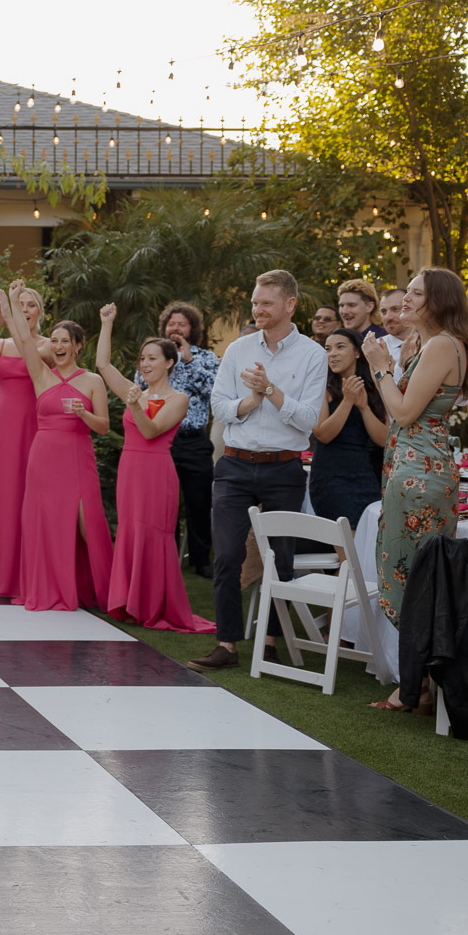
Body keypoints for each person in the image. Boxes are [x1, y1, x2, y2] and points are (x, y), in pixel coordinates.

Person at [189, 270, 328, 673]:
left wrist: (270, 390)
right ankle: (227, 644)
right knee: (227, 556)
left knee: (281, 559)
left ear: (290, 304)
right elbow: (219, 406)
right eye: (255, 302)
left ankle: (269, 642)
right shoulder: (238, 349)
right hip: (234, 464)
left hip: (284, 468)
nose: (258, 309)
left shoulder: (312, 355)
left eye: (266, 302)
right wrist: (251, 401)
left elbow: (308, 420)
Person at [361, 267, 468, 712]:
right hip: (417, 468)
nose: (405, 299)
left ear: (438, 301)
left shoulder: (443, 344)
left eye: (415, 293)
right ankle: (420, 685)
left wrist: (379, 369)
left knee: (412, 578)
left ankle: (414, 688)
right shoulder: (434, 344)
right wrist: (394, 369)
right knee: (416, 576)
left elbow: (404, 413)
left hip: (419, 476)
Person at [96, 304, 213, 633]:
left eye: (152, 358)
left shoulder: (179, 399)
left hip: (157, 473)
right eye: (142, 359)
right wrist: (107, 324)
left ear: (169, 363)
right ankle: (127, 601)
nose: (145, 364)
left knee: (152, 534)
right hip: (130, 471)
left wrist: (135, 404)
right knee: (130, 531)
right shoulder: (136, 392)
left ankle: (151, 605)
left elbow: (150, 432)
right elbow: (103, 365)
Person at [0, 281, 113, 611]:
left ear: (78, 346)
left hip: (77, 457)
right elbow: (24, 339)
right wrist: (13, 301)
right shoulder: (41, 374)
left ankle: (107, 590)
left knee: (88, 525)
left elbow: (104, 427)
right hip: (44, 458)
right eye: (55, 341)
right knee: (44, 523)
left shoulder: (92, 381)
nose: (59, 346)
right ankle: (47, 587)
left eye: (65, 341)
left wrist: (84, 415)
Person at [0, 284, 53, 597]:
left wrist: (12, 312)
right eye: (21, 304)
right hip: (4, 423)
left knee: (32, 490)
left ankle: (31, 573)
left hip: (36, 422)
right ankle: (1, 573)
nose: (25, 310)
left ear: (40, 312)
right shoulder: (2, 344)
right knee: (4, 491)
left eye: (30, 305)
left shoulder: (49, 345)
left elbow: (31, 352)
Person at [151, 301, 220, 579]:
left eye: (182, 324)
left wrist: (189, 360)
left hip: (194, 441)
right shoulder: (154, 355)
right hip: (160, 440)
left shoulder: (205, 358)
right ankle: (162, 557)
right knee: (161, 502)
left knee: (199, 502)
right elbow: (141, 386)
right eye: (172, 324)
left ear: (192, 329)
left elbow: (214, 390)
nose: (176, 328)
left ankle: (201, 560)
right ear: (164, 327)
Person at [309, 329, 388, 530]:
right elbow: (322, 434)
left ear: (357, 352)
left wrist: (363, 407)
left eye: (340, 347)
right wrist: (348, 401)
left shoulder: (374, 386)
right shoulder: (322, 386)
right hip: (330, 477)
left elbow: (384, 439)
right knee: (346, 542)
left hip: (365, 475)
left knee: (369, 540)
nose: (332, 354)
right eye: (328, 349)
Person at [380, 287, 408, 375]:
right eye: (384, 311)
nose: (388, 317)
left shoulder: (430, 343)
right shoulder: (375, 349)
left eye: (395, 309)